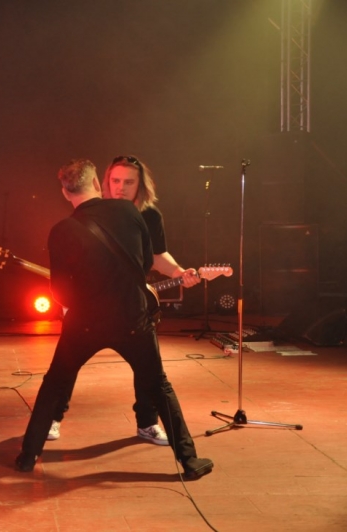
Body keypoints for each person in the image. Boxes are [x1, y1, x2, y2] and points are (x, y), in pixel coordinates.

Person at [15, 158, 213, 480]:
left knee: (54, 384)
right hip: (133, 319)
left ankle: (27, 458)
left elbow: (59, 291)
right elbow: (145, 263)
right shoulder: (129, 212)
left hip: (85, 322)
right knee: (159, 386)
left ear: (65, 193)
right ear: (97, 184)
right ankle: (190, 462)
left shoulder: (61, 230)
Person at [47, 155, 201, 446]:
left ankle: (147, 422)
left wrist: (180, 272)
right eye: (115, 181)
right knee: (66, 364)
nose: (120, 187)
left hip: (132, 308)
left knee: (148, 368)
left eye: (128, 182)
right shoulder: (94, 211)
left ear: (141, 185)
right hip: (91, 307)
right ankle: (51, 417)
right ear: (103, 183)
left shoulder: (150, 216)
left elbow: (156, 256)